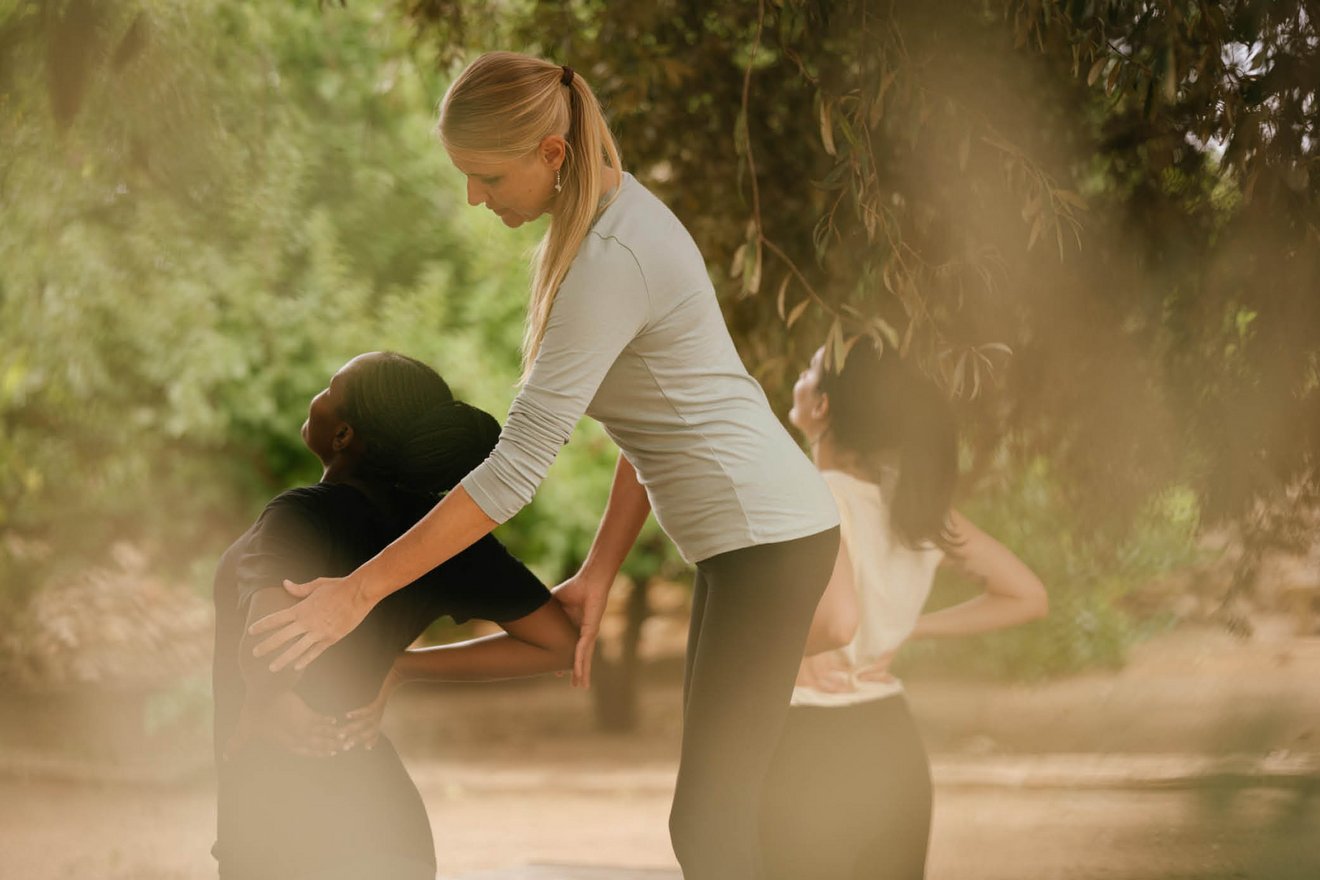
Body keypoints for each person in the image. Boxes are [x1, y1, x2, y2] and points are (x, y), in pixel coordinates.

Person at [247, 52, 840, 878]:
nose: (474, 197)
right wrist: (600, 566)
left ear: (551, 155)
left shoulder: (608, 261)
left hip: (765, 539)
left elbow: (515, 470)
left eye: (487, 176)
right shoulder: (599, 228)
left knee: (713, 825)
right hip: (751, 538)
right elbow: (659, 420)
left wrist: (357, 592)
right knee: (725, 819)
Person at [212, 351, 576, 880]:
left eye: (330, 388)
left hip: (276, 818)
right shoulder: (439, 541)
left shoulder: (301, 513)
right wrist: (403, 666)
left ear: (342, 435)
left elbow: (267, 650)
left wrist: (263, 699)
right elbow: (558, 643)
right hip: (385, 823)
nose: (318, 395)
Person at [758, 342, 1049, 879]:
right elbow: (1028, 596)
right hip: (892, 748)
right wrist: (909, 629)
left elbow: (825, 625)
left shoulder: (807, 498)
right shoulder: (914, 507)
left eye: (807, 369)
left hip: (805, 746)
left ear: (821, 406)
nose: (798, 377)